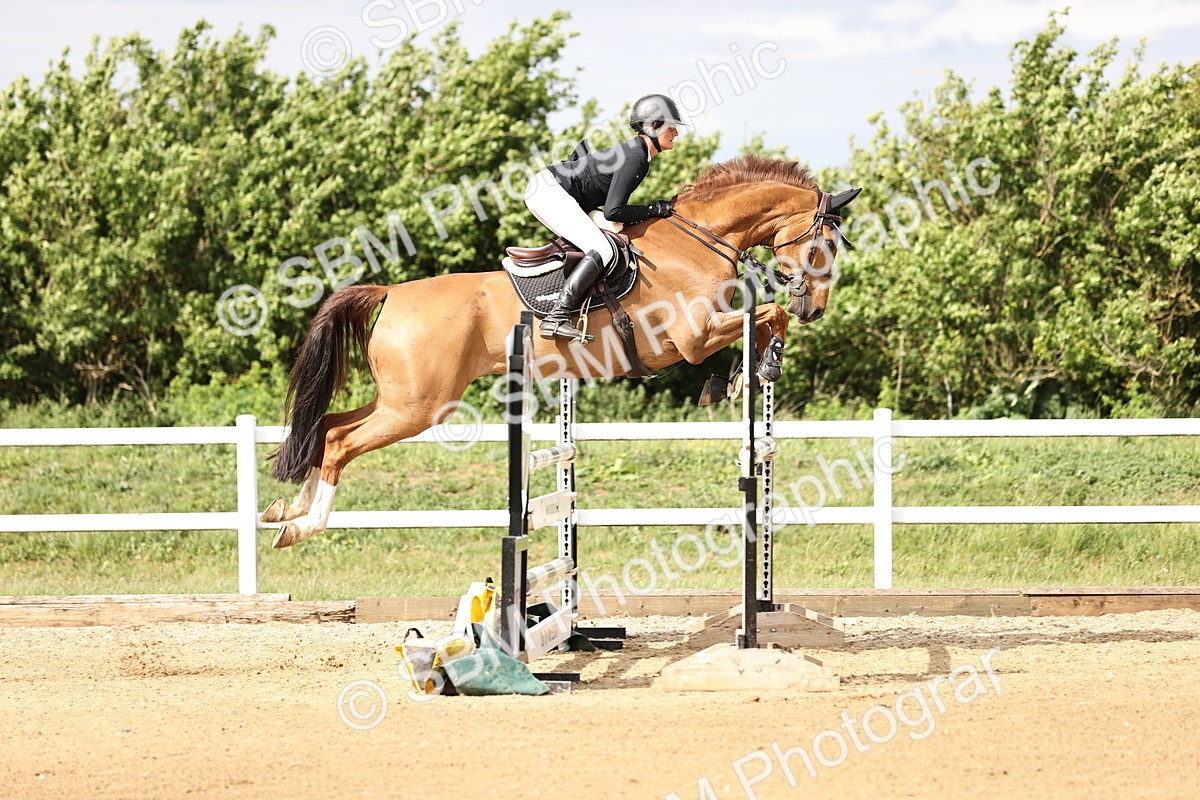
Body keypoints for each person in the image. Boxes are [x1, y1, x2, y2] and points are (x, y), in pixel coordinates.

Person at [524, 93, 685, 342]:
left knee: (606, 241)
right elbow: (614, 211)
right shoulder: (636, 158)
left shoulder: (637, 154)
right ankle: (557, 317)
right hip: (549, 192)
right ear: (653, 126)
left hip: (554, 191)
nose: (676, 133)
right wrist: (655, 210)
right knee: (603, 249)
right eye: (672, 127)